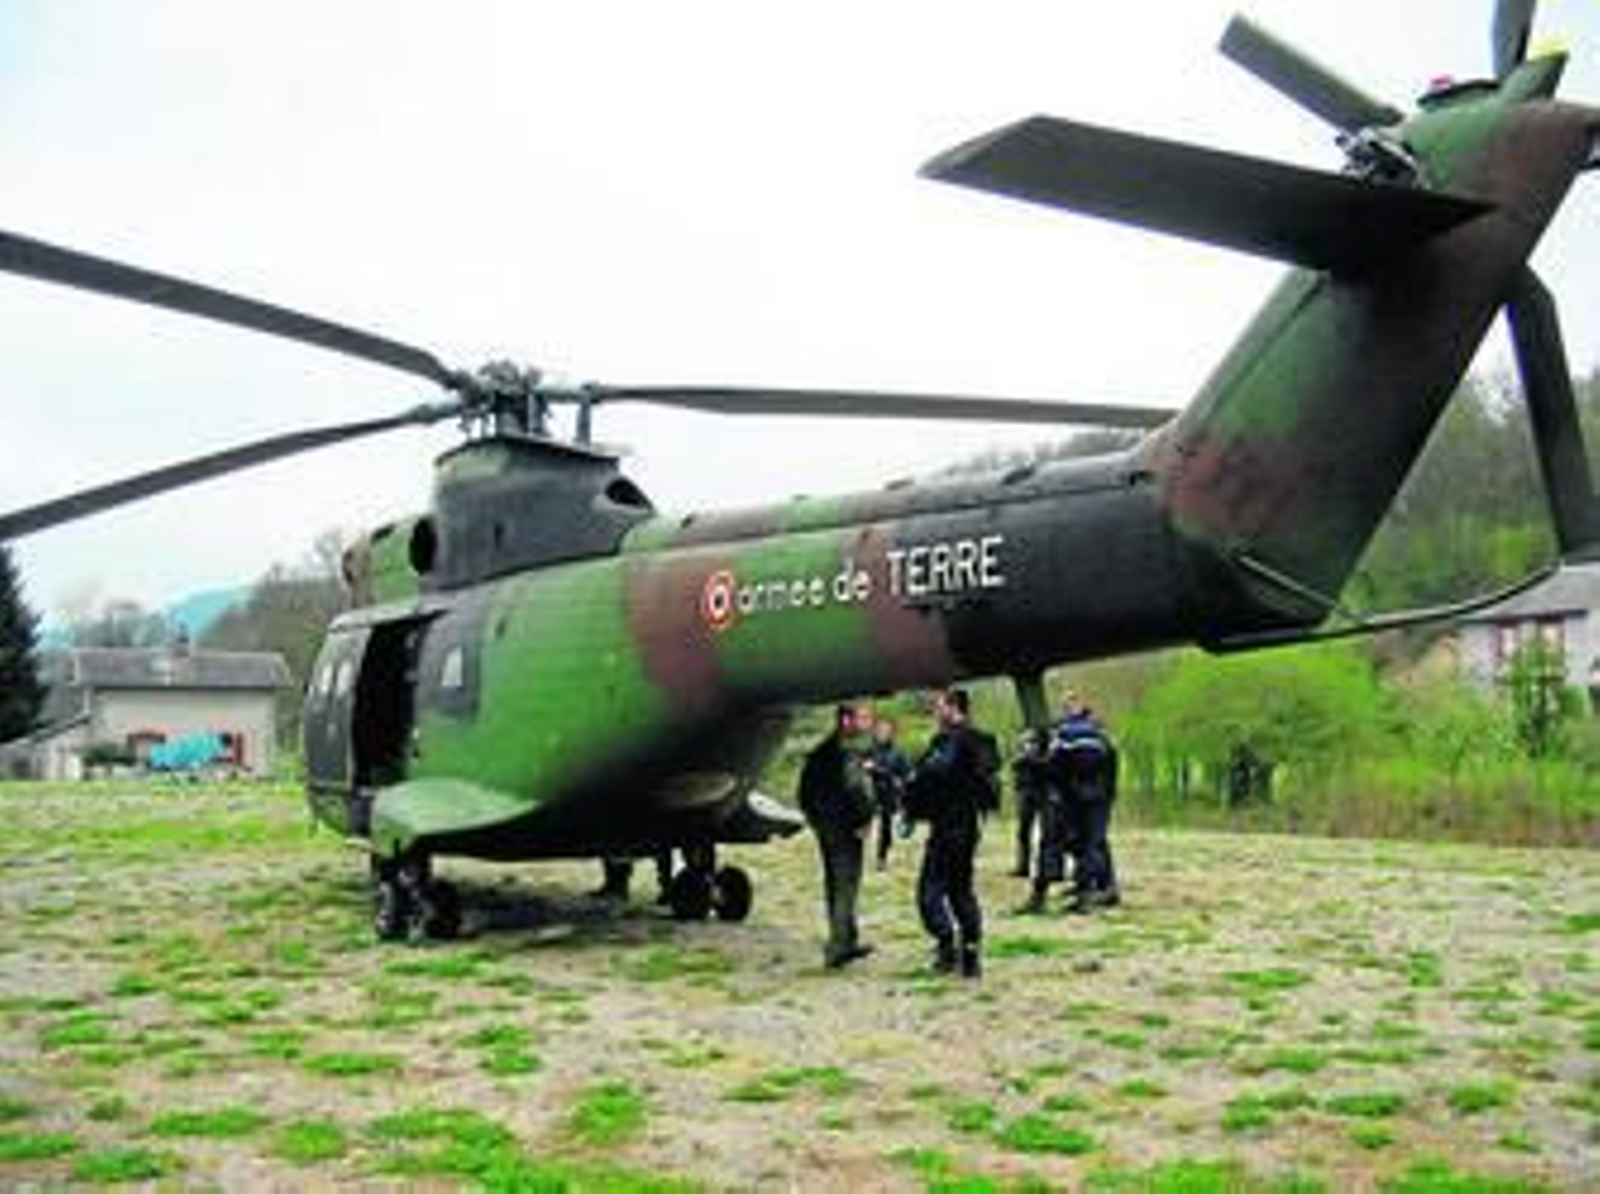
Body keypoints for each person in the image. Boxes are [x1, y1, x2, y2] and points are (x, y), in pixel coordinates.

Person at [903, 688, 999, 978]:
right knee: (961, 891)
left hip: (950, 827)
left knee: (929, 893)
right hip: (967, 827)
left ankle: (947, 949)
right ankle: (970, 958)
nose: (935, 711)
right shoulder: (978, 740)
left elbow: (933, 776)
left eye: (939, 706)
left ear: (954, 707)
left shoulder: (954, 741)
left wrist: (912, 795)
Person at [797, 703, 876, 969]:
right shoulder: (847, 751)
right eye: (860, 717)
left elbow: (803, 793)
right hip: (846, 828)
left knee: (834, 884)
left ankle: (847, 941)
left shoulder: (819, 752)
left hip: (827, 828)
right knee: (846, 886)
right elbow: (856, 788)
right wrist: (866, 817)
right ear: (845, 720)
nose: (866, 723)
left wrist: (816, 821)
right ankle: (839, 946)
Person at [1052, 694, 1120, 913]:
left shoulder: (1069, 733)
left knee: (1088, 844)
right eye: (1066, 704)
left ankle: (1089, 892)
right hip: (1097, 795)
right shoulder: (1099, 733)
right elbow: (1111, 763)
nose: (1067, 707)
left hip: (1085, 796)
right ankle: (1102, 887)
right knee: (1095, 843)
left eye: (1071, 704)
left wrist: (1065, 791)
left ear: (1081, 707)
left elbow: (1058, 765)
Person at [865, 715, 913, 870]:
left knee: (885, 830)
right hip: (869, 795)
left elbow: (906, 775)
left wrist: (879, 771)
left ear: (892, 733)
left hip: (888, 796)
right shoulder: (869, 751)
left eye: (886, 731)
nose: (882, 733)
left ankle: (881, 858)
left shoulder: (898, 753)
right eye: (879, 730)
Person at [1010, 728, 1051, 878]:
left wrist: (1032, 759)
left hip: (1042, 793)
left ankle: (1045, 866)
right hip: (1025, 793)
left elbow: (1047, 768)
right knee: (1023, 831)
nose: (1028, 745)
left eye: (1032, 741)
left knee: (1047, 832)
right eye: (1025, 741)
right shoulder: (1021, 757)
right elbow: (1015, 766)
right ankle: (1023, 865)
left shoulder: (1045, 756)